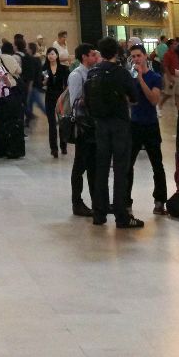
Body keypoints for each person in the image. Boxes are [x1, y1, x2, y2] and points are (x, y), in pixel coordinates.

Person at [85, 36, 142, 228]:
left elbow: (87, 100)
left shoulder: (93, 73)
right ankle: (121, 215)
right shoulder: (121, 73)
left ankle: (99, 213)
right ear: (117, 52)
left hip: (100, 125)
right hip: (119, 125)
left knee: (101, 169)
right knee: (120, 169)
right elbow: (134, 98)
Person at [126, 43, 167, 216]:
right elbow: (129, 101)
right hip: (134, 125)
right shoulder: (130, 77)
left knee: (157, 164)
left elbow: (153, 100)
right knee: (128, 165)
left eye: (138, 55)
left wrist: (141, 79)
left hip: (150, 124)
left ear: (145, 57)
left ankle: (160, 201)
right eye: (133, 56)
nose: (136, 59)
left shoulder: (155, 77)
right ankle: (126, 201)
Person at [66, 44, 98, 217]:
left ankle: (97, 201)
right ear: (84, 57)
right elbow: (75, 102)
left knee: (93, 166)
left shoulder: (93, 73)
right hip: (83, 126)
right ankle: (76, 202)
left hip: (93, 125)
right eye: (92, 55)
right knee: (80, 165)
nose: (95, 57)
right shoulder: (76, 75)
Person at [42, 46, 69, 157]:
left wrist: (65, 95)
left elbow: (67, 84)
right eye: (49, 54)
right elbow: (41, 83)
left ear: (57, 55)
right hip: (49, 97)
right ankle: (54, 149)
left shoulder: (63, 68)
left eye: (53, 54)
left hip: (60, 97)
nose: (51, 56)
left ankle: (63, 145)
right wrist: (45, 81)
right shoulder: (44, 69)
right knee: (52, 123)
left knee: (62, 121)